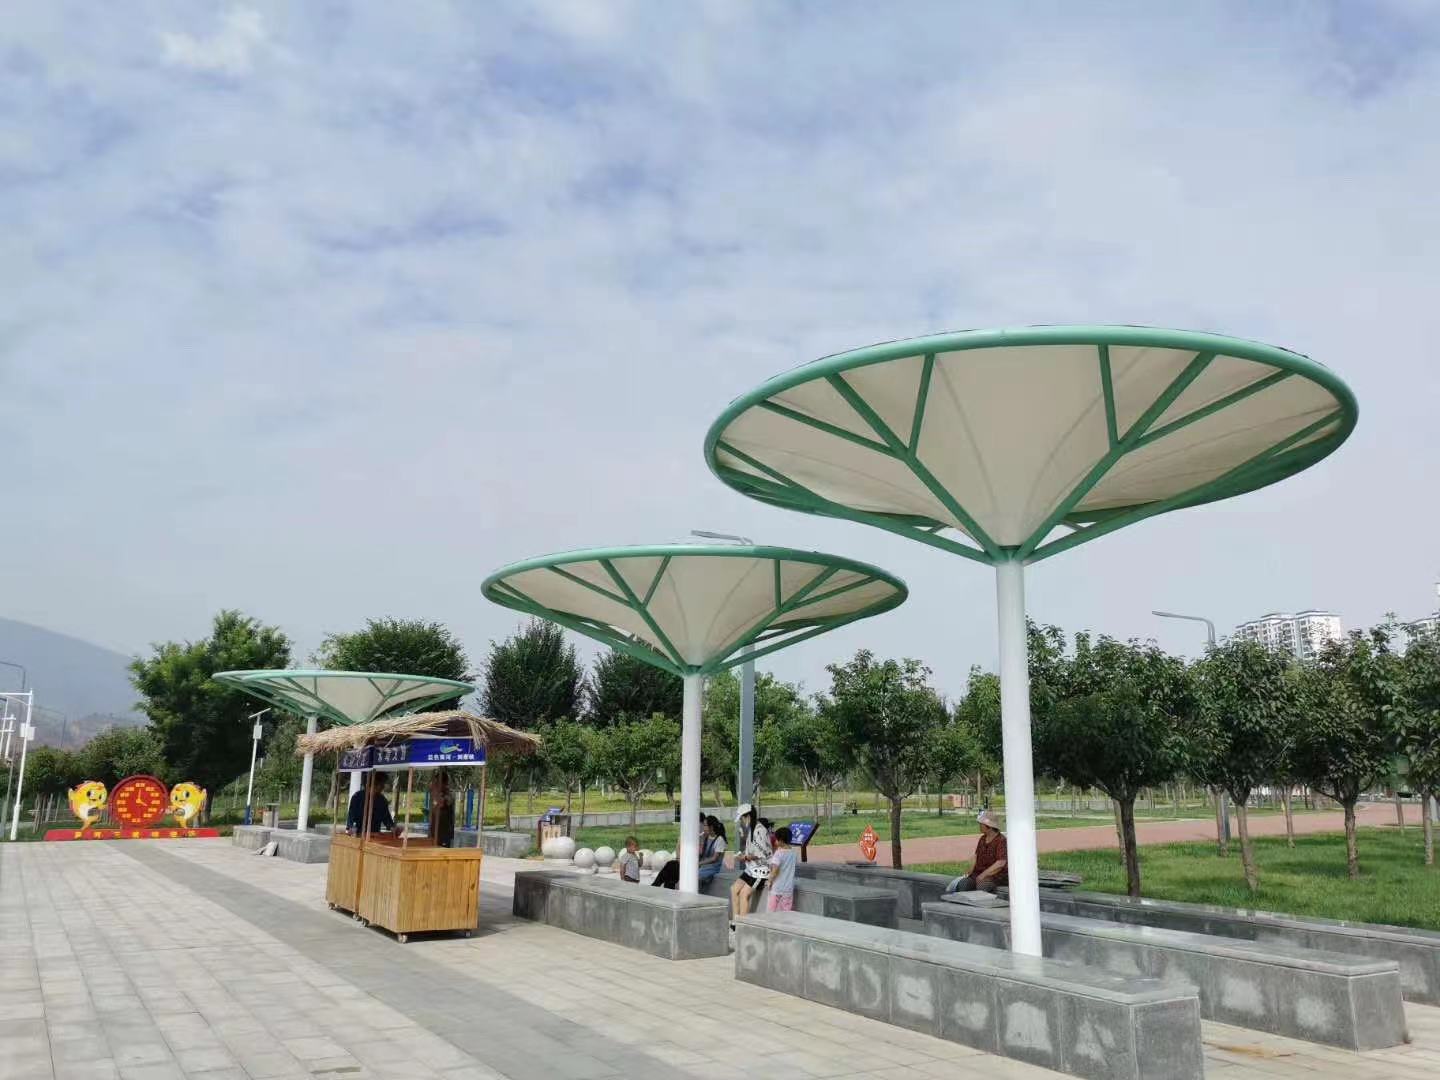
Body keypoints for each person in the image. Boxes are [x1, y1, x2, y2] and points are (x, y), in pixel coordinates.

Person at [945, 810, 1008, 894]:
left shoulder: (1001, 840)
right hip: (978, 873)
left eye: (981, 824)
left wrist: (983, 875)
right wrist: (971, 869)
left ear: (989, 826)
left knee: (982, 887)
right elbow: (976, 855)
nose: (979, 826)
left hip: (994, 877)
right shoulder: (982, 839)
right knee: (963, 884)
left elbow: (1000, 863)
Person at [730, 806, 772, 920]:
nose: (742, 821)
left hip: (760, 871)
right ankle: (735, 921)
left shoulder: (759, 830)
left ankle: (742, 923)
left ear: (748, 816)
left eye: (742, 818)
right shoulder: (752, 828)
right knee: (734, 889)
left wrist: (744, 857)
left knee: (743, 894)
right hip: (751, 869)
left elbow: (760, 854)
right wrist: (744, 855)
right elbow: (752, 849)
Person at [651, 813, 709, 889]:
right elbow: (678, 847)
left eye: (703, 825)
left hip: (695, 864)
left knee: (671, 867)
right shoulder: (687, 833)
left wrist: (699, 839)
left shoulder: (704, 837)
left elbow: (700, 853)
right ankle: (660, 887)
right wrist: (679, 859)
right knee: (671, 866)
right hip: (683, 862)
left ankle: (656, 887)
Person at [765, 825, 798, 912]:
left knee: (771, 911)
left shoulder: (778, 854)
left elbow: (774, 871)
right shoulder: (794, 852)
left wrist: (769, 881)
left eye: (776, 839)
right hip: (788, 888)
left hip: (777, 888)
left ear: (781, 840)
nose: (775, 841)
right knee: (786, 911)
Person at [428, 768, 455, 848]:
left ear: (444, 783)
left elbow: (442, 803)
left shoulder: (449, 794)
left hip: (444, 835)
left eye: (437, 783)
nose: (435, 784)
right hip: (434, 833)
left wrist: (435, 791)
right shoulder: (437, 794)